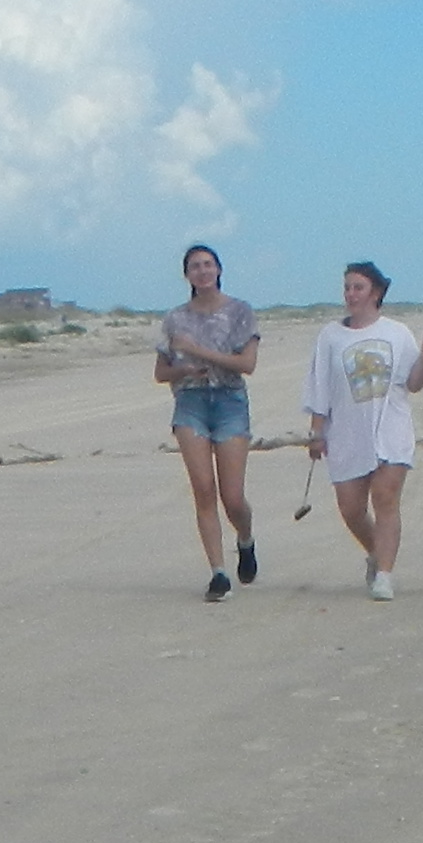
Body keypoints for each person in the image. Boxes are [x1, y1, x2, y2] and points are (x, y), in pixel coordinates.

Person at [302, 263, 423, 598]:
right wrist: (317, 432)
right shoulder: (331, 336)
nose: (351, 294)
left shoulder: (396, 333)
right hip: (346, 431)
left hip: (390, 427)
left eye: (358, 287)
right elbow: (320, 385)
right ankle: (377, 554)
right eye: (347, 287)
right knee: (351, 508)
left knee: (385, 498)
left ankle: (385, 577)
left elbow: (414, 384)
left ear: (376, 292)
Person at [154, 242, 264, 595]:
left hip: (229, 401)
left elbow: (246, 365)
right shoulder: (175, 318)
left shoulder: (240, 312)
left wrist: (199, 351)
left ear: (218, 269)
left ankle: (244, 539)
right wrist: (184, 368)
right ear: (187, 275)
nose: (202, 271)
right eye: (194, 266)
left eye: (207, 264)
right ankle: (218, 572)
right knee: (203, 489)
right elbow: (160, 372)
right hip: (190, 402)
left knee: (232, 497)